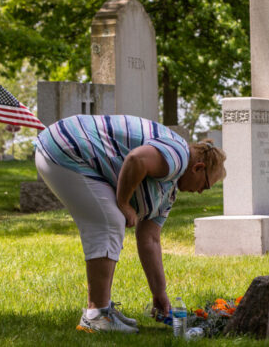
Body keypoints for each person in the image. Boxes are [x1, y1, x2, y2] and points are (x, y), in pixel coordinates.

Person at [34, 114, 226, 334]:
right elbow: (137, 159)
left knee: (110, 219)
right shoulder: (179, 155)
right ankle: (96, 315)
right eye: (206, 186)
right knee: (110, 221)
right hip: (64, 147)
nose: (201, 192)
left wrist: (159, 295)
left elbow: (150, 240)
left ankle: (102, 309)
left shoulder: (168, 192)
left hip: (64, 150)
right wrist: (124, 203)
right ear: (198, 168)